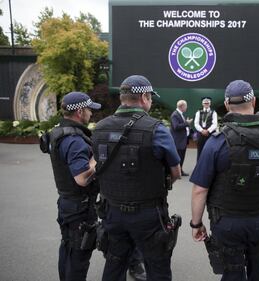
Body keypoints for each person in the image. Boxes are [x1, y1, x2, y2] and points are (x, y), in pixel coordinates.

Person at [190, 80, 259, 281]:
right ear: (253, 101)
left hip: (227, 222)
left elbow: (199, 189)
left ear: (227, 104)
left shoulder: (217, 141)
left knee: (232, 271)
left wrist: (196, 224)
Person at [92, 75, 181, 281]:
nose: (150, 101)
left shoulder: (100, 127)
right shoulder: (156, 129)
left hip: (111, 211)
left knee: (114, 264)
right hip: (148, 213)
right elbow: (175, 172)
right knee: (157, 267)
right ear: (144, 97)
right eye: (150, 97)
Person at [40, 91, 101, 281]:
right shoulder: (74, 140)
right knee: (78, 255)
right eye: (89, 109)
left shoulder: (58, 131)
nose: (91, 113)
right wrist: (98, 160)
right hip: (79, 206)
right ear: (80, 112)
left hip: (67, 203)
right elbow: (82, 178)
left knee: (68, 248)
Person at [170, 100, 193, 176]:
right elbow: (176, 126)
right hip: (178, 141)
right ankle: (176, 172)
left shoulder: (181, 114)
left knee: (181, 156)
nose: (187, 107)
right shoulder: (175, 115)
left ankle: (180, 171)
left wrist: (186, 124)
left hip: (183, 140)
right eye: (186, 106)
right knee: (178, 157)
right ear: (182, 106)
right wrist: (187, 123)